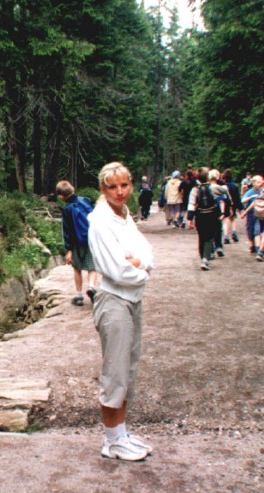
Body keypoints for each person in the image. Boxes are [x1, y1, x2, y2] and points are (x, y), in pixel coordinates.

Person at [88, 162, 155, 461]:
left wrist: (139, 262)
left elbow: (147, 253)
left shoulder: (125, 215)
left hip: (132, 299)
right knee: (115, 372)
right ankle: (112, 440)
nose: (120, 192)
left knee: (128, 369)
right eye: (113, 187)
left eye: (124, 185)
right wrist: (143, 271)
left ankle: (121, 433)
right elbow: (116, 270)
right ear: (103, 189)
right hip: (113, 300)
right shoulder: (100, 222)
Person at [56, 180, 98, 306]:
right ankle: (91, 287)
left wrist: (68, 250)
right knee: (92, 267)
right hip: (90, 239)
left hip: (76, 242)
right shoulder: (86, 201)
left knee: (77, 268)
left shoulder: (67, 209)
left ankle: (79, 296)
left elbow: (67, 231)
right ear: (73, 190)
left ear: (61, 196)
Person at [187, 169, 221, 270]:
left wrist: (190, 218)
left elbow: (191, 204)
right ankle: (206, 258)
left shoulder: (195, 189)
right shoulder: (213, 187)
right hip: (212, 215)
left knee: (201, 237)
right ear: (208, 177)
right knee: (209, 237)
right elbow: (225, 191)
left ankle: (202, 257)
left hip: (200, 215)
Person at [221, 168, 242, 244]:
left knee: (226, 220)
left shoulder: (222, 186)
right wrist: (239, 208)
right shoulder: (235, 186)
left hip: (225, 204)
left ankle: (226, 236)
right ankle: (234, 232)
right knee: (233, 218)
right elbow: (237, 198)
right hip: (233, 204)